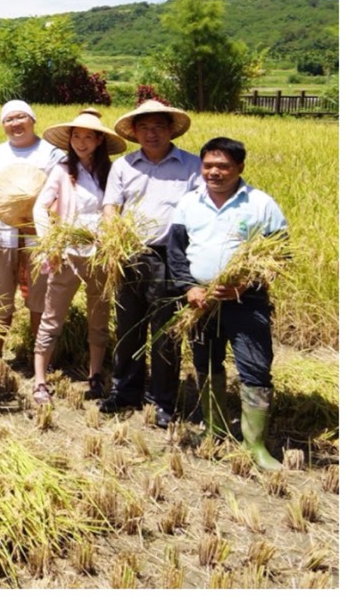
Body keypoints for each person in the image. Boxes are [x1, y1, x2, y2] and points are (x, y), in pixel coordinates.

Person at [166, 137, 289, 470]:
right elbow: (176, 253)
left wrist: (246, 285)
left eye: (223, 166)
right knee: (206, 364)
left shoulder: (261, 204)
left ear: (239, 168)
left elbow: (280, 255)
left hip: (246, 302)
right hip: (202, 302)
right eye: (208, 166)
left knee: (256, 368)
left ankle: (256, 446)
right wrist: (189, 289)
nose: (214, 172)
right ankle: (215, 429)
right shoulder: (189, 203)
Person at [100, 99, 202, 427]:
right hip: (129, 255)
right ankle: (124, 391)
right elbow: (111, 208)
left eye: (158, 126)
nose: (151, 133)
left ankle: (162, 400)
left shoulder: (192, 165)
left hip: (171, 258)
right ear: (134, 132)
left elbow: (201, 212)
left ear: (171, 129)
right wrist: (113, 243)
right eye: (143, 128)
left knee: (164, 333)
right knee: (128, 327)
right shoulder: (124, 166)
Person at [31, 111, 126, 405]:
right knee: (52, 316)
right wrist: (51, 243)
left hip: (100, 254)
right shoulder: (61, 170)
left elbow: (118, 210)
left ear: (99, 140)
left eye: (88, 137)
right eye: (76, 136)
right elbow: (40, 207)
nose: (81, 142)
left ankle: (95, 375)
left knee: (99, 318)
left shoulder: (110, 173)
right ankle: (39, 381)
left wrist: (113, 245)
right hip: (68, 254)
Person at [0, 101, 62, 360]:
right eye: (9, 119)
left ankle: (41, 357)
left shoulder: (52, 153)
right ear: (2, 125)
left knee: (40, 299)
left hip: (39, 237)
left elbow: (63, 188)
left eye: (21, 117)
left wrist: (46, 212)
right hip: (0, 235)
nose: (15, 124)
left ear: (33, 119)